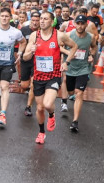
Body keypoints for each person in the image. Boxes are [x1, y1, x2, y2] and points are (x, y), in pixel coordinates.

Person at [22, 11, 75, 145]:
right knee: (39, 108)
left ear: (52, 22)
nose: (42, 21)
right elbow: (25, 57)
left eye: (45, 19)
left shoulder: (59, 36)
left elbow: (74, 46)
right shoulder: (35, 35)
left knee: (47, 104)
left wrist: (66, 62)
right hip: (39, 76)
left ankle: (51, 114)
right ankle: (41, 132)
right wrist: (30, 51)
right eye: (41, 19)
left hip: (53, 76)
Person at [64, 15, 97, 132]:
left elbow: (94, 47)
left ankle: (75, 121)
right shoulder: (69, 35)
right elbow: (59, 46)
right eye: (78, 23)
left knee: (79, 93)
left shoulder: (90, 37)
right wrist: (69, 52)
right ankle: (69, 95)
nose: (80, 26)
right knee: (71, 91)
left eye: (82, 23)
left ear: (86, 24)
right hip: (70, 68)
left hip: (83, 68)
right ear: (74, 23)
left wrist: (91, 55)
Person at [18, 11, 41, 117]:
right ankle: (29, 92)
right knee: (24, 85)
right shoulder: (24, 29)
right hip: (26, 59)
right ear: (30, 20)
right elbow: (20, 42)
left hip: (37, 61)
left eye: (37, 20)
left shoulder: (43, 31)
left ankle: (29, 106)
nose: (35, 22)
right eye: (33, 20)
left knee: (33, 84)